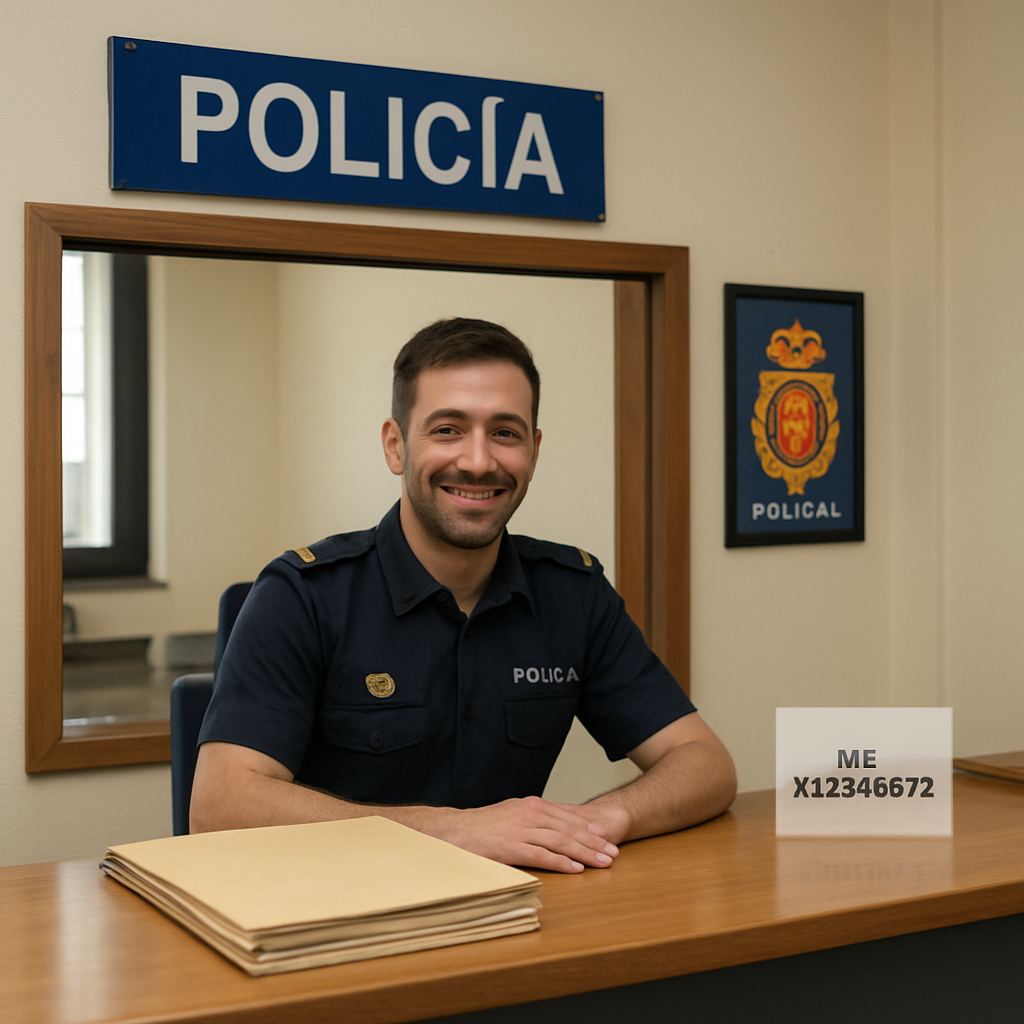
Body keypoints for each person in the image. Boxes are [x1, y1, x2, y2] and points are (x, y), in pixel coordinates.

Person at [191, 318, 736, 873]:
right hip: (335, 905)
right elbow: (220, 806)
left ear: (534, 450)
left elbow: (705, 763)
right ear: (396, 446)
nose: (478, 462)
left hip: (514, 907)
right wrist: (455, 833)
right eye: (448, 429)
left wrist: (595, 822)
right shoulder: (302, 595)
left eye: (505, 433)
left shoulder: (573, 593)